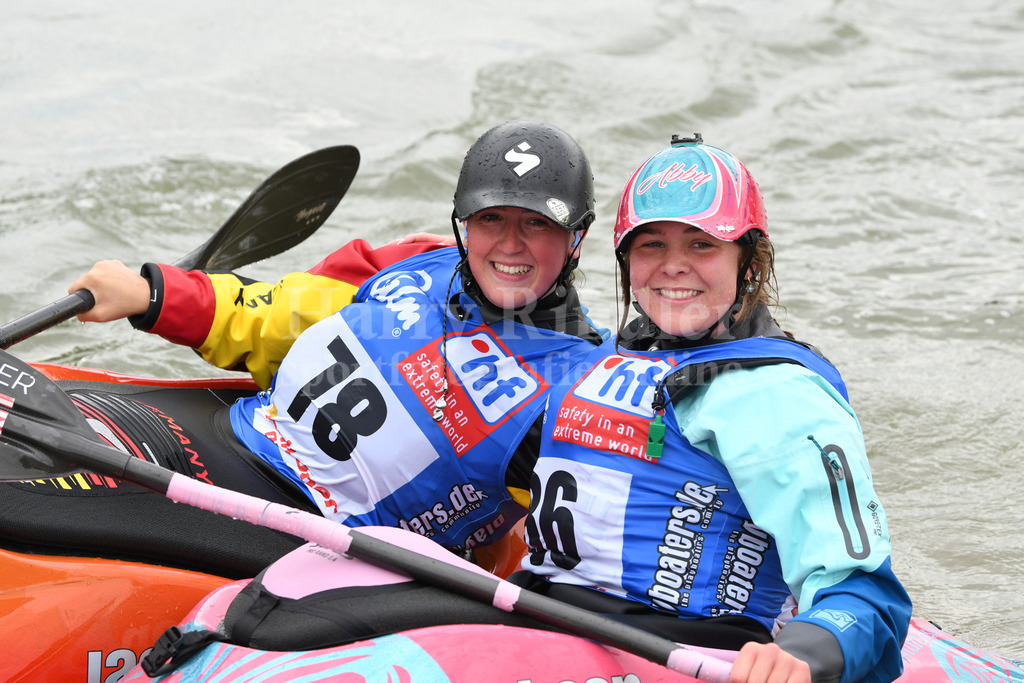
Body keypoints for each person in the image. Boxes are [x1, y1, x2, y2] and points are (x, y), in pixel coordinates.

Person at [65, 120, 607, 561]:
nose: (509, 245)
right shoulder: (415, 262)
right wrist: (152, 295)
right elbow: (276, 313)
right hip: (228, 440)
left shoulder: (577, 391)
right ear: (463, 222)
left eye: (537, 224)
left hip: (311, 545)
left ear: (577, 236)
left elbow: (586, 544)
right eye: (491, 218)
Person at [516, 135, 912, 682]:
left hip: (679, 651)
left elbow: (865, 595)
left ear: (749, 262)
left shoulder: (776, 394)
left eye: (702, 245)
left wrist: (802, 654)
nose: (673, 267)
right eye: (650, 245)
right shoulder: (593, 360)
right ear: (626, 260)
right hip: (533, 620)